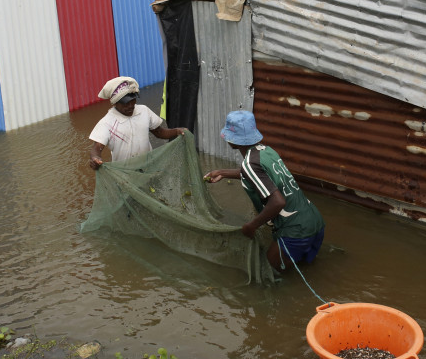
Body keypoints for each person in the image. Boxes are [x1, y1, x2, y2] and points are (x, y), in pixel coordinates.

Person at [203, 110, 325, 270]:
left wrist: (251, 226)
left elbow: (278, 201)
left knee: (268, 274)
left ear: (233, 140)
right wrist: (222, 173)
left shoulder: (249, 164)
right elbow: (259, 176)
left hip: (295, 231)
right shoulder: (266, 151)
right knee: (305, 270)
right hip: (315, 222)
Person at [88, 76, 186, 170]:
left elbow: (159, 132)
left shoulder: (143, 111)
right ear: (115, 103)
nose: (131, 106)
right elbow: (97, 148)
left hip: (148, 166)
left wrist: (177, 131)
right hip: (124, 172)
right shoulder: (107, 123)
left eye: (132, 100)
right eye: (126, 103)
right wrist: (95, 158)